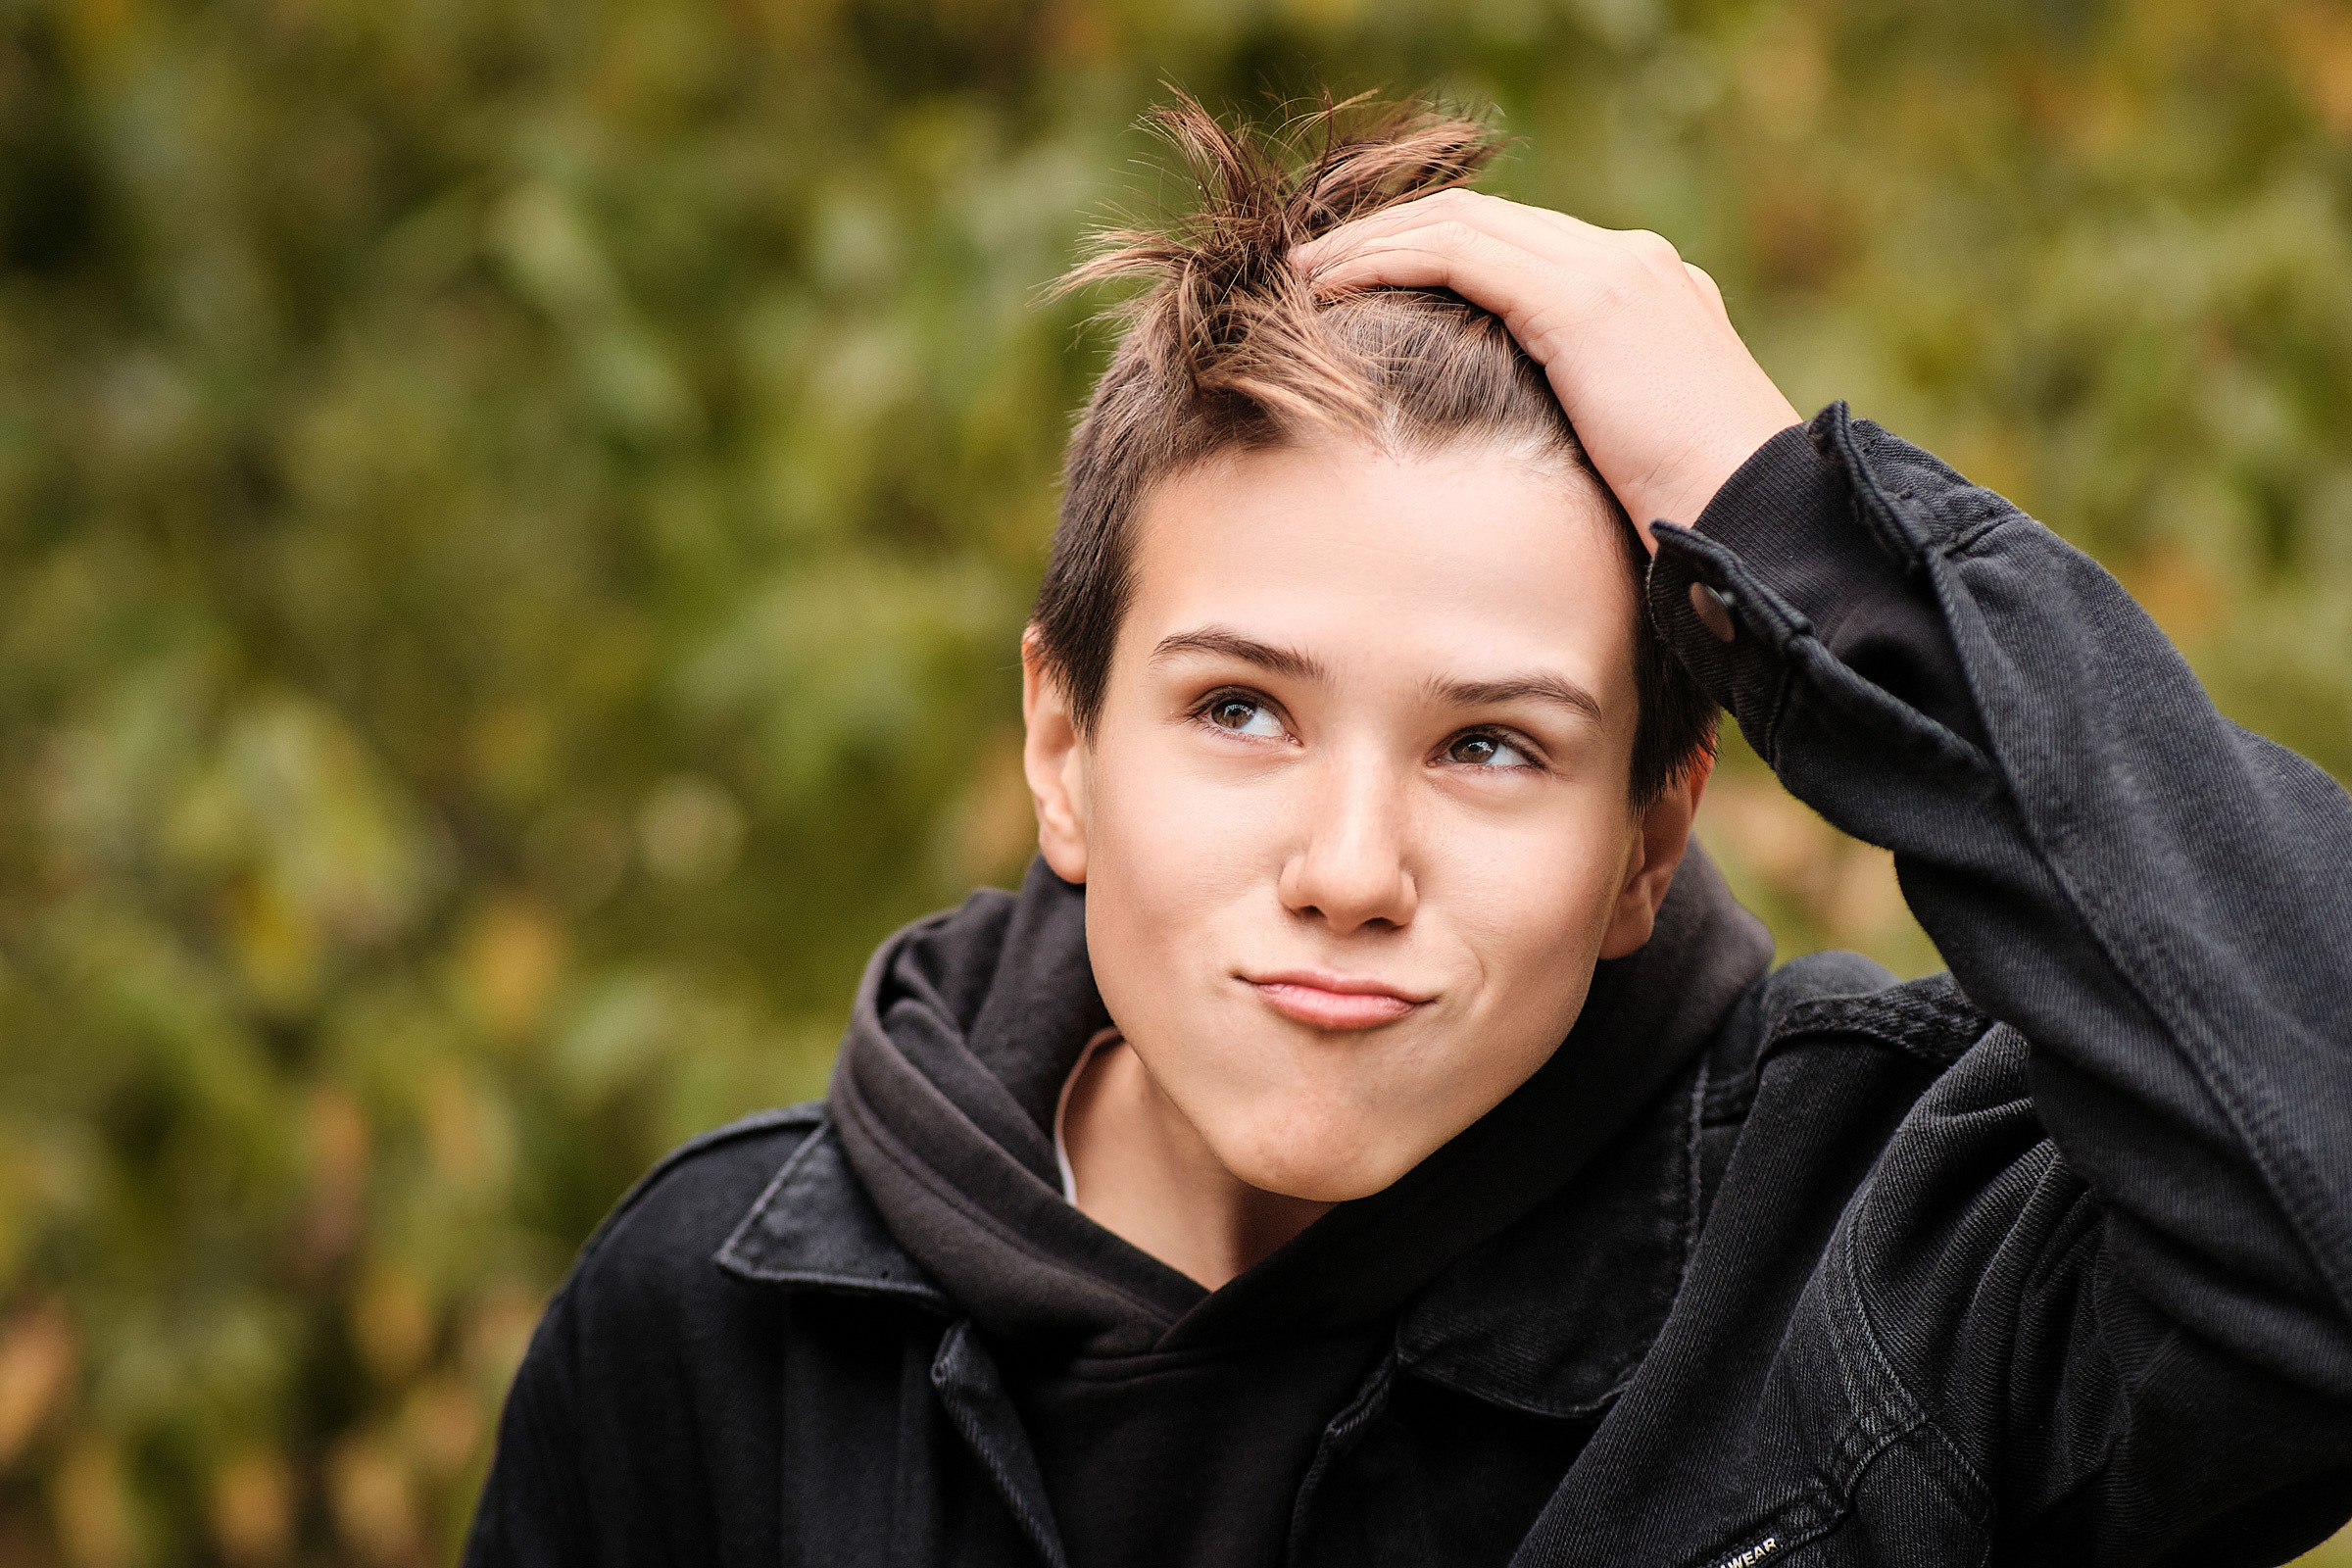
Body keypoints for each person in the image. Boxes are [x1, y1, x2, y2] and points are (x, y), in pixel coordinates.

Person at [463, 94, 2352, 1568]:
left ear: (1648, 840)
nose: (1352, 870)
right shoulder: (713, 1328)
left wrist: (1791, 518)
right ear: (1063, 746)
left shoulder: (1885, 1259)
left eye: (1493, 748)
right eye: (1240, 710)